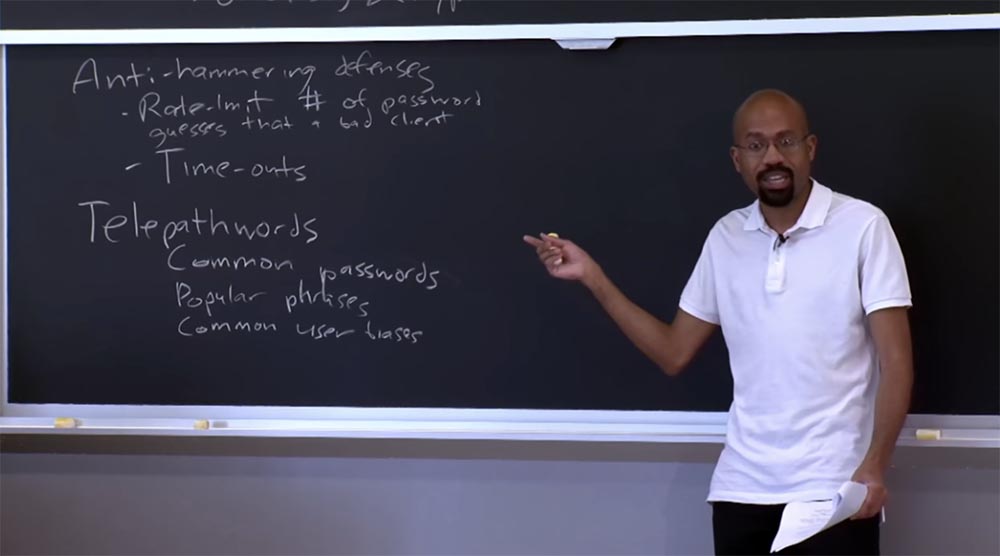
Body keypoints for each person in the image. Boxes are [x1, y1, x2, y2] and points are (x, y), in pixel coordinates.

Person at [523, 89, 913, 555]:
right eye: (756, 145)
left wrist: (874, 466)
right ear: (737, 159)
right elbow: (673, 352)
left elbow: (896, 362)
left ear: (810, 148)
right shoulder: (727, 236)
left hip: (832, 492)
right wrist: (593, 276)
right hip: (740, 489)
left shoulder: (863, 226)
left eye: (786, 141)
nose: (772, 157)